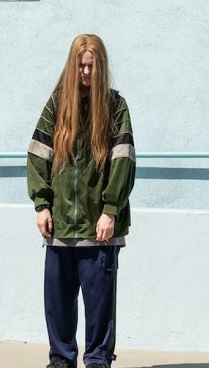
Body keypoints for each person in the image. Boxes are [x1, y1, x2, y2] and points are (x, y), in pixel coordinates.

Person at [27, 33, 136, 368]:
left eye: (92, 65)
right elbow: (37, 155)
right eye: (81, 65)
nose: (86, 72)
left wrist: (111, 210)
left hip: (99, 229)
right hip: (60, 227)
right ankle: (61, 359)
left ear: (100, 66)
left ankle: (98, 361)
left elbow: (123, 160)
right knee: (57, 303)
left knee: (100, 307)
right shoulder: (57, 104)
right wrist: (42, 204)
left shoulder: (116, 106)